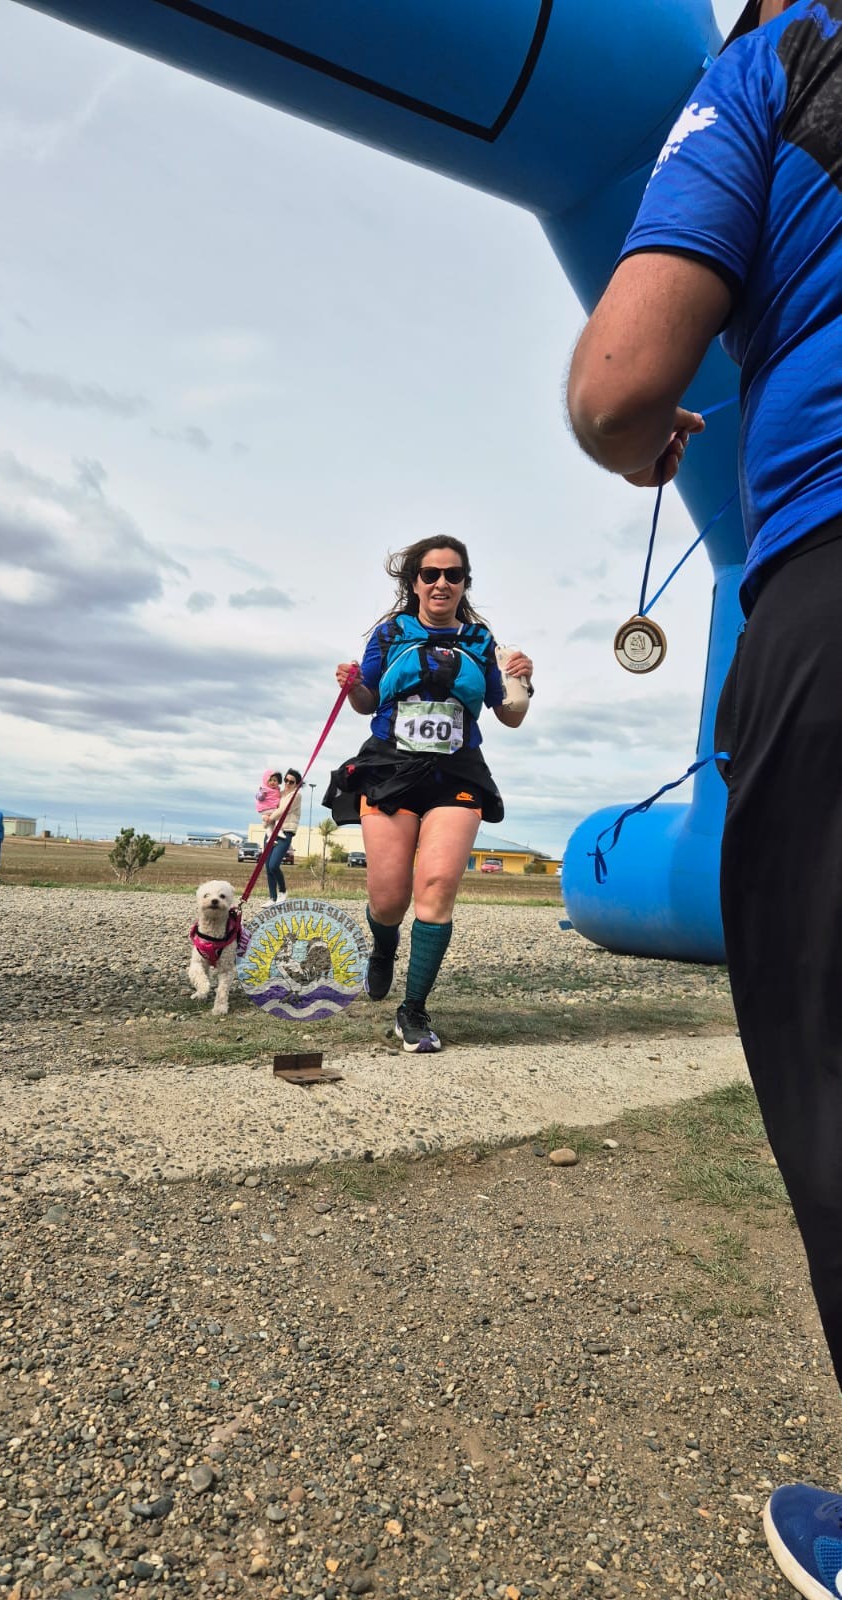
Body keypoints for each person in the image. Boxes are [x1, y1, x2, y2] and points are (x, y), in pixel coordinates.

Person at [566, 3, 842, 1594]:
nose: (450, 587)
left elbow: (622, 384)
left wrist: (633, 443)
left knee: (834, 1062)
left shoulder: (781, 52)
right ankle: (396, 996)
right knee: (400, 866)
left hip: (833, 578)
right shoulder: (409, 637)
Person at [326, 537, 533, 1052]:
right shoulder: (392, 633)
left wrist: (523, 684)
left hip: (456, 773)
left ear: (465, 583)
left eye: (453, 574)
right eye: (430, 573)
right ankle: (383, 946)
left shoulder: (483, 642)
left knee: (437, 886)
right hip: (390, 766)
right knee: (389, 898)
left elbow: (508, 714)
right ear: (413, 581)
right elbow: (365, 700)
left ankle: (413, 1010)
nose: (442, 582)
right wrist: (351, 684)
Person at [263, 769, 302, 907]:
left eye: (291, 782)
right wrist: (264, 814)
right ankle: (272, 898)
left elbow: (282, 810)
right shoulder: (278, 794)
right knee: (267, 866)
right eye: (286, 780)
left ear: (297, 784)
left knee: (274, 865)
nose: (287, 783)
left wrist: (269, 818)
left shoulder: (296, 796)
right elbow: (267, 804)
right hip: (271, 830)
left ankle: (283, 891)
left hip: (285, 832)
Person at [255, 770, 282, 834]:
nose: (272, 782)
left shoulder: (277, 789)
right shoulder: (264, 789)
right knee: (279, 815)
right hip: (267, 808)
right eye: (270, 780)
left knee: (269, 825)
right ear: (266, 781)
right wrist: (262, 794)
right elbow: (258, 797)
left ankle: (269, 836)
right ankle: (279, 830)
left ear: (278, 782)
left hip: (268, 809)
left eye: (275, 780)